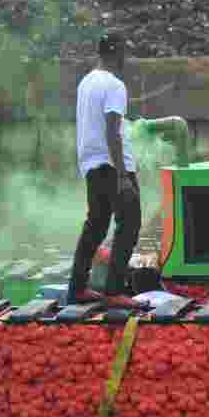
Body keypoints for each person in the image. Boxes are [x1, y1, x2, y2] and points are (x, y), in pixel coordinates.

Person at [68, 33, 142, 309]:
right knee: (130, 221)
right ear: (116, 52)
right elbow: (113, 131)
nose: (126, 57)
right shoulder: (114, 85)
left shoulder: (86, 82)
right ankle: (113, 290)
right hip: (112, 165)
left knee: (96, 225)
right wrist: (123, 175)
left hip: (90, 163)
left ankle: (77, 288)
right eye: (124, 51)